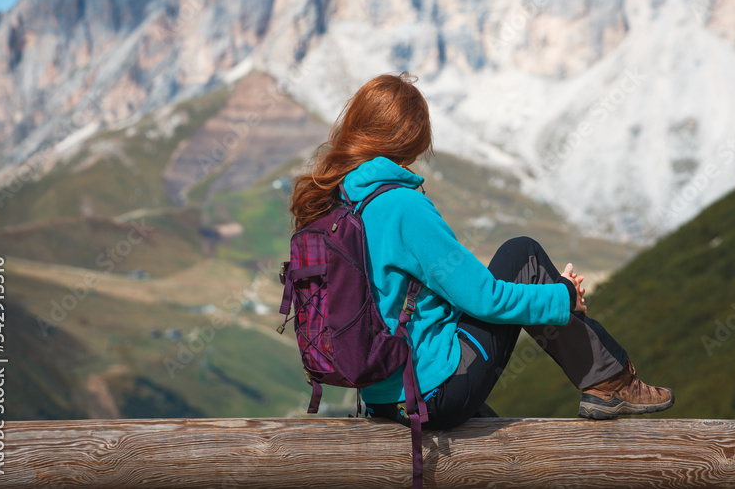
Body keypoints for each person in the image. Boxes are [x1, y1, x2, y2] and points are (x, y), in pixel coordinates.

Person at [288, 72, 673, 428]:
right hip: (433, 392)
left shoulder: (342, 201)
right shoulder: (402, 206)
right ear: (412, 136)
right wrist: (563, 295)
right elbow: (484, 298)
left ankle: (607, 379)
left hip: (384, 400)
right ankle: (612, 380)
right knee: (522, 257)